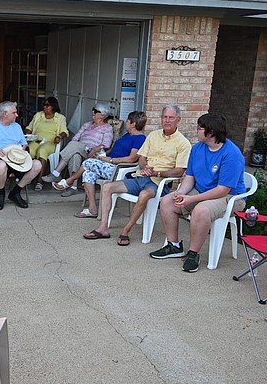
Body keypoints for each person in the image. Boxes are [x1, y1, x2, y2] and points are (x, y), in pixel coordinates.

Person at [150, 112, 247, 272]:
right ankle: (173, 246)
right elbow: (190, 176)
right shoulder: (197, 149)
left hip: (230, 197)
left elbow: (223, 190)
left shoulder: (232, 155)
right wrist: (181, 192)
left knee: (201, 210)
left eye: (200, 128)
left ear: (211, 132)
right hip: (203, 190)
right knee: (167, 201)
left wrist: (191, 199)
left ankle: (193, 254)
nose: (196, 130)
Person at [84, 104, 191, 246]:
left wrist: (157, 172)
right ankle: (103, 227)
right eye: (164, 117)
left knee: (144, 195)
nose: (167, 120)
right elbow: (141, 157)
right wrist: (145, 167)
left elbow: (180, 171)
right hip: (140, 177)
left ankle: (126, 231)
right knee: (107, 186)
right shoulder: (153, 135)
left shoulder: (183, 143)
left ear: (179, 120)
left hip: (158, 184)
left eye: (171, 118)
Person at [56, 111, 147, 218]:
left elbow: (132, 159)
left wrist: (111, 160)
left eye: (127, 121)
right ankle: (92, 209)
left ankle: (69, 181)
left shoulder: (140, 139)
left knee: (88, 163)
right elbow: (114, 149)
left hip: (119, 169)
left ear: (133, 124)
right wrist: (101, 156)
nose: (126, 122)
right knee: (87, 174)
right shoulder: (127, 135)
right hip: (109, 164)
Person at [0, 101, 43, 210]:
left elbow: (24, 143)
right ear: (5, 113)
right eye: (14, 112)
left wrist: (24, 148)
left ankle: (16, 192)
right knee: (0, 165)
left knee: (37, 165)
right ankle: (1, 193)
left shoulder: (16, 126)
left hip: (16, 157)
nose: (17, 115)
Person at [42, 101, 114, 197]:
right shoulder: (86, 125)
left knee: (74, 146)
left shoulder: (107, 128)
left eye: (96, 111)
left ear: (103, 115)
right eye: (93, 109)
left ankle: (56, 173)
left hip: (95, 153)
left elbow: (107, 144)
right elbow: (76, 138)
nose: (93, 112)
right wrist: (76, 145)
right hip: (82, 149)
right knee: (75, 154)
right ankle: (73, 187)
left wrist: (97, 148)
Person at [24, 96, 68, 191]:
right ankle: (27, 177)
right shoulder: (38, 115)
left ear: (53, 106)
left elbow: (65, 131)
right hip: (36, 140)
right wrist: (27, 133)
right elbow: (29, 127)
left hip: (50, 142)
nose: (45, 107)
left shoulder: (60, 118)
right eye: (44, 105)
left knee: (42, 150)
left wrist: (59, 137)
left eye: (47, 105)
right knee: (28, 150)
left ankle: (39, 181)